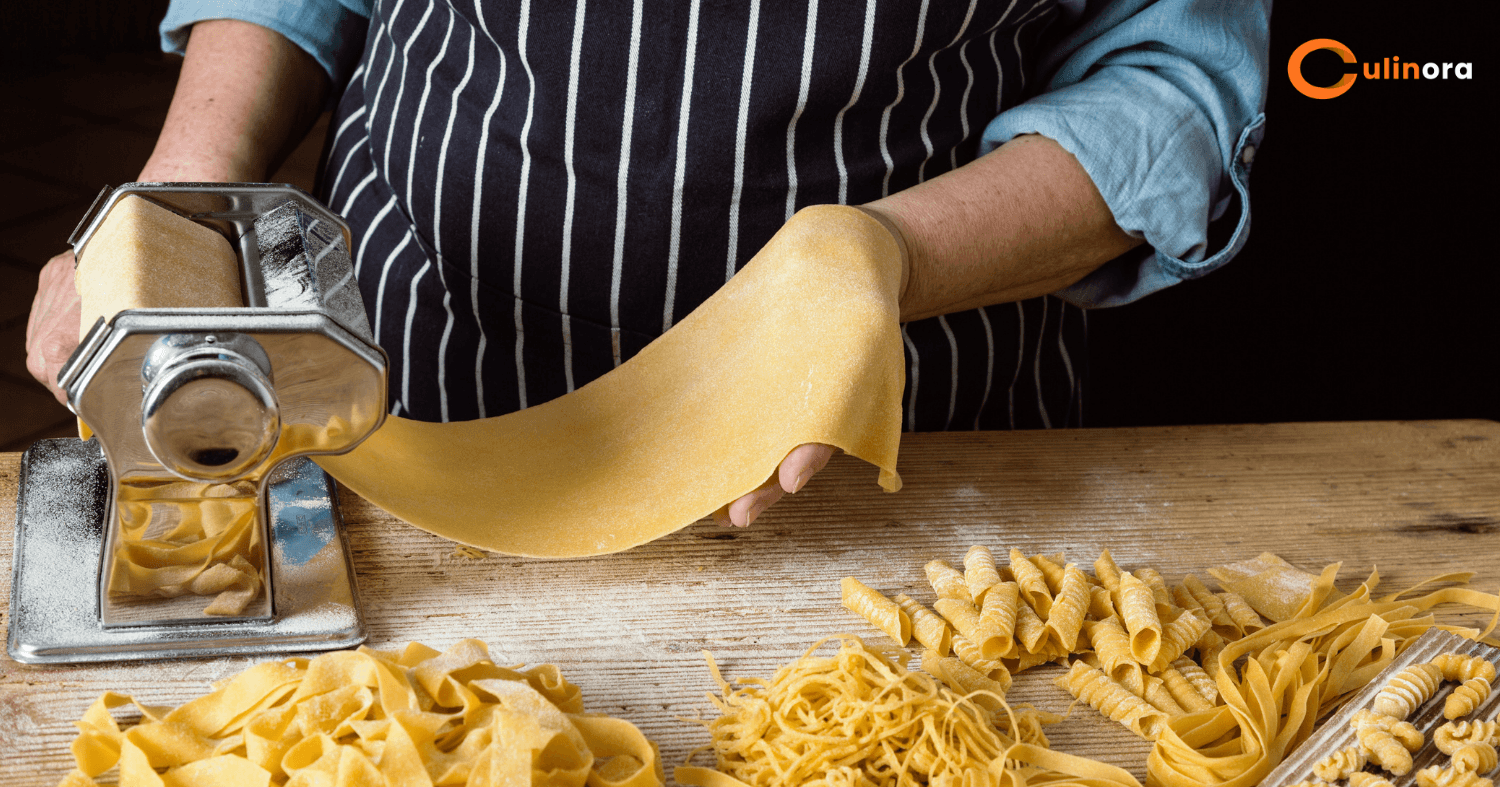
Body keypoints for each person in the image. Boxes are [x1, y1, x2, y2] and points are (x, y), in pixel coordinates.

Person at [25, 0, 1270, 527]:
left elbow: (1176, 82)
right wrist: (179, 213)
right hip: (411, 386)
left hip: (891, 449)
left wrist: (882, 259)